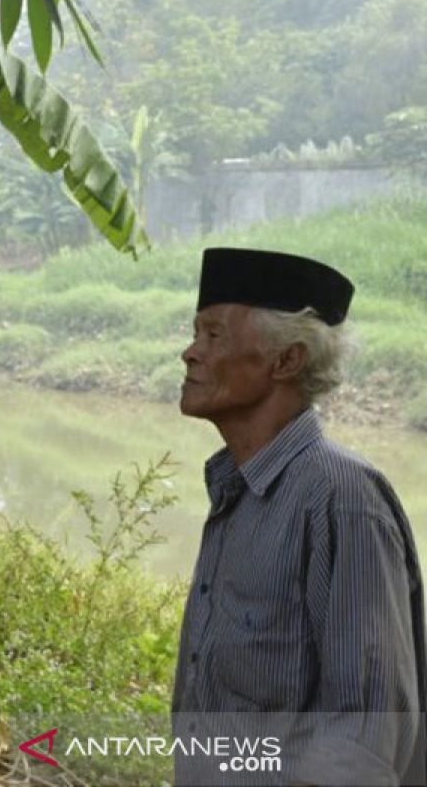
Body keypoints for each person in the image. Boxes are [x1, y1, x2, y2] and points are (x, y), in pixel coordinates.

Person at [171, 247, 426, 785]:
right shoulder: (235, 489)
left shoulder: (342, 500)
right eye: (196, 333)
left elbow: (364, 737)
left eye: (214, 336)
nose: (189, 353)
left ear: (285, 361)